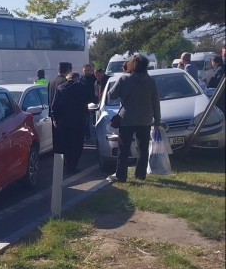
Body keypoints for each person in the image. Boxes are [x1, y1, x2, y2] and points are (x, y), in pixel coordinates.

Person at [106, 54, 161, 183]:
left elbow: (112, 96)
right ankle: (140, 175)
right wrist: (157, 121)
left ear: (132, 65)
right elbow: (155, 102)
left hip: (127, 119)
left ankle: (121, 176)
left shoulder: (124, 79)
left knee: (124, 149)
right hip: (145, 119)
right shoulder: (151, 81)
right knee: (143, 149)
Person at [51, 72, 96, 173]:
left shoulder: (60, 88)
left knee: (66, 143)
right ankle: (73, 165)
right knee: (77, 143)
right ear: (76, 78)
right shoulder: (82, 87)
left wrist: (55, 118)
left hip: (63, 121)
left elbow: (55, 105)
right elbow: (93, 99)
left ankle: (67, 163)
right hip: (78, 120)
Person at [81, 64, 98, 140]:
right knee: (85, 121)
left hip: (95, 103)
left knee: (95, 120)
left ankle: (96, 136)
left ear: (91, 70)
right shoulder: (81, 79)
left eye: (88, 70)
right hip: (84, 103)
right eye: (85, 70)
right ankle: (87, 135)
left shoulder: (95, 79)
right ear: (83, 71)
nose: (87, 72)